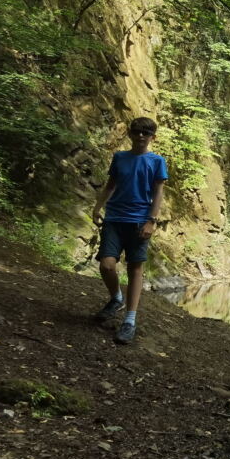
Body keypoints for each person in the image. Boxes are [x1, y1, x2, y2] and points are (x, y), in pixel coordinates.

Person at [91, 117, 168, 344]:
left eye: (146, 132)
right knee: (106, 264)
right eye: (137, 132)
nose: (141, 136)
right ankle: (116, 298)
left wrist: (152, 221)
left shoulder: (156, 161)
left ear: (153, 137)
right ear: (130, 134)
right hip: (114, 218)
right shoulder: (119, 157)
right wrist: (97, 208)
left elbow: (158, 193)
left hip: (139, 221)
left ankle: (130, 320)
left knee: (135, 268)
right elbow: (111, 185)